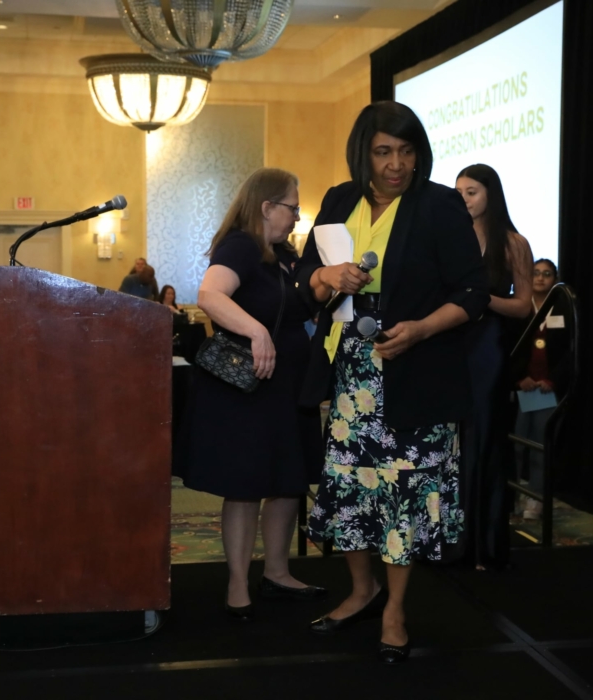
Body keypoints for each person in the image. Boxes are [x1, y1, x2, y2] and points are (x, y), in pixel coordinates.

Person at [298, 102, 489, 663]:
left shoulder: (438, 205)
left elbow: (474, 292)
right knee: (351, 489)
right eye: (384, 152)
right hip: (351, 375)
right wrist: (324, 275)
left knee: (403, 497)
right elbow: (305, 276)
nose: (396, 165)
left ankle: (395, 610)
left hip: (416, 367)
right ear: (363, 153)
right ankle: (363, 591)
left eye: (407, 152)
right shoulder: (338, 200)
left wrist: (422, 329)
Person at [174, 168, 326, 621]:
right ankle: (238, 583)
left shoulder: (285, 255)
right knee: (244, 487)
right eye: (292, 207)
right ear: (266, 207)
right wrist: (258, 332)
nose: (296, 217)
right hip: (248, 386)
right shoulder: (240, 245)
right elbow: (210, 295)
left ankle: (277, 573)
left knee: (287, 480)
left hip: (287, 384)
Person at [455, 163, 534, 572]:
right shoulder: (451, 236)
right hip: (448, 342)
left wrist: (482, 300)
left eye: (471, 192)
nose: (464, 200)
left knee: (484, 440)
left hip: (487, 346)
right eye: (459, 193)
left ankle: (483, 544)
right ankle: (450, 543)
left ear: (491, 194)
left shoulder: (513, 243)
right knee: (449, 444)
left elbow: (523, 306)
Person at [510, 259, 570, 520]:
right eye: (535, 273)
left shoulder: (563, 308)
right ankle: (512, 497)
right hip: (521, 388)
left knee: (538, 446)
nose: (540, 278)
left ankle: (535, 499)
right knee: (515, 446)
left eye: (547, 274)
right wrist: (519, 377)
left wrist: (552, 380)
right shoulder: (519, 306)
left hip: (546, 390)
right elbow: (507, 345)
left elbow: (570, 350)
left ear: (555, 278)